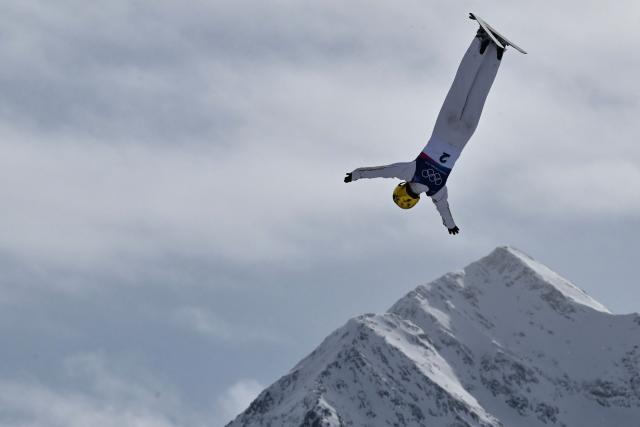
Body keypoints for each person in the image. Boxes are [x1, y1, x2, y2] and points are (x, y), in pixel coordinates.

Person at [344, 26, 506, 235]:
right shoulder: (409, 171)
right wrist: (356, 175)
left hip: (463, 136)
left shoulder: (438, 192)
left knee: (479, 94)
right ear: (402, 188)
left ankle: (497, 54)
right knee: (461, 86)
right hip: (443, 131)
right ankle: (481, 41)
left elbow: (444, 210)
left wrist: (450, 225)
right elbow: (381, 172)